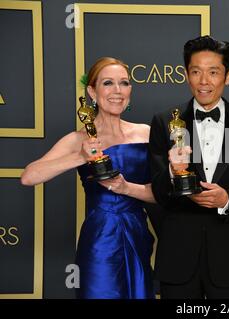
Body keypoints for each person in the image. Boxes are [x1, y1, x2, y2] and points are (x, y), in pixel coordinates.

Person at [21, 57, 156, 299]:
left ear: (130, 91)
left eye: (124, 83)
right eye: (108, 83)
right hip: (100, 239)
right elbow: (29, 176)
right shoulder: (78, 139)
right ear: (92, 91)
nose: (117, 91)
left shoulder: (146, 133)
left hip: (137, 234)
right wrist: (80, 156)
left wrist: (127, 188)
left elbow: (162, 193)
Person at [149, 35, 229, 299]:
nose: (204, 82)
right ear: (186, 75)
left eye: (213, 72)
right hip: (177, 260)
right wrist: (172, 172)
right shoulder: (164, 121)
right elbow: (156, 191)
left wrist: (227, 200)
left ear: (228, 75)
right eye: (196, 72)